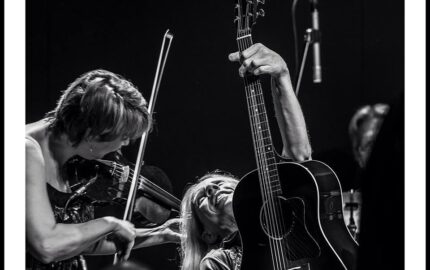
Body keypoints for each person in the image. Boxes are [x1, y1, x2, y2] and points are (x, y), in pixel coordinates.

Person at [26, 69, 180, 270]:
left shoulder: (75, 161)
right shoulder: (25, 151)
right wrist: (109, 223)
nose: (123, 145)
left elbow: (79, 243)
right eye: (123, 137)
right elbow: (46, 246)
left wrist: (161, 234)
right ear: (92, 134)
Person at [179, 43, 312, 270]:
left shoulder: (287, 217)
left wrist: (281, 76)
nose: (213, 189)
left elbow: (300, 157)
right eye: (202, 195)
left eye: (220, 183)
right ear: (208, 235)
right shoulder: (218, 261)